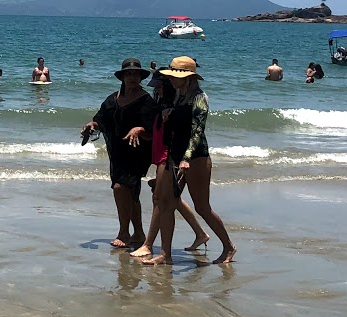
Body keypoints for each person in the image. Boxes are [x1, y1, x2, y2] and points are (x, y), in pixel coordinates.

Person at [150, 56, 234, 265]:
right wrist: (170, 112)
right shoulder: (180, 94)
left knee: (202, 207)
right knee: (166, 203)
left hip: (196, 158)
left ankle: (228, 247)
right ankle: (165, 255)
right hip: (174, 155)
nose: (170, 80)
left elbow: (197, 131)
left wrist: (186, 159)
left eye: (175, 77)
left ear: (188, 78)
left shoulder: (199, 98)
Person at [131, 72, 209, 262]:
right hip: (162, 155)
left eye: (159, 86)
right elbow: (155, 130)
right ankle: (199, 233)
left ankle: (149, 245)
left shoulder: (177, 103)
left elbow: (187, 131)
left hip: (169, 155)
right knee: (168, 199)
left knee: (162, 199)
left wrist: (182, 158)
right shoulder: (167, 103)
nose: (156, 89)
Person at [81, 57, 155, 251]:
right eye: (129, 74)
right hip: (116, 151)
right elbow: (101, 118)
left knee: (120, 187)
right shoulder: (113, 98)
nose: (132, 77)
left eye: (136, 74)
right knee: (130, 193)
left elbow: (154, 128)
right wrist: (92, 125)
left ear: (141, 77)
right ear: (122, 77)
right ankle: (138, 233)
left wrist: (139, 129)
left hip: (137, 152)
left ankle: (124, 232)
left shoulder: (146, 100)